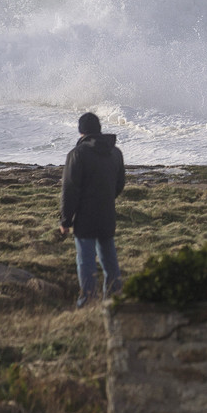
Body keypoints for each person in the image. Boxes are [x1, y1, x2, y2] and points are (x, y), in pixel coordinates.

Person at [59, 112, 126, 307]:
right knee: (109, 259)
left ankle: (88, 300)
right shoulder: (115, 153)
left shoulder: (77, 154)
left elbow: (69, 190)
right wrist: (106, 199)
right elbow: (120, 183)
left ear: (81, 132)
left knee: (85, 261)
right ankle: (114, 297)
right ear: (98, 129)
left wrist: (65, 221)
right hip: (107, 213)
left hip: (85, 218)